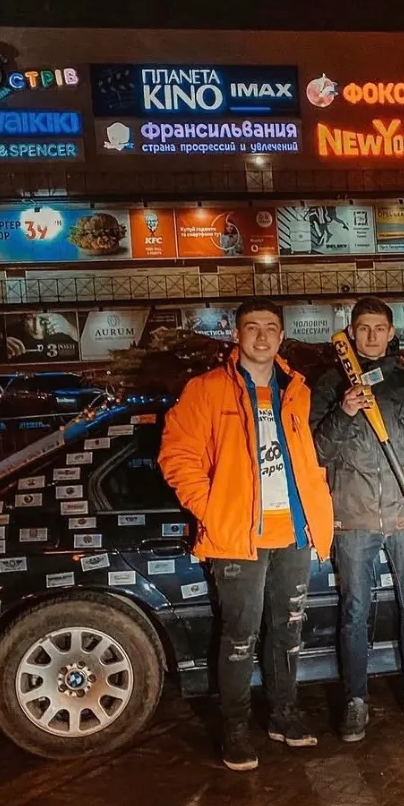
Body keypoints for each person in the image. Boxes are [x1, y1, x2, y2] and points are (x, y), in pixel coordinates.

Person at [159, 297, 335, 771]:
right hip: (239, 537)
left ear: (282, 336)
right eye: (252, 327)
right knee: (239, 635)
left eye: (271, 327)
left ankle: (284, 715)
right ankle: (235, 728)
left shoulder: (295, 389)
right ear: (237, 335)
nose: (262, 336)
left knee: (288, 630)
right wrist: (213, 509)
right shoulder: (207, 390)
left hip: (293, 533)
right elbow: (177, 455)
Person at [310, 297, 404, 741]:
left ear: (391, 333)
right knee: (355, 610)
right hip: (353, 518)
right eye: (363, 328)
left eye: (379, 328)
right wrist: (344, 412)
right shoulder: (329, 384)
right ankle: (356, 699)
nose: (372, 335)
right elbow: (316, 451)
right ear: (350, 332)